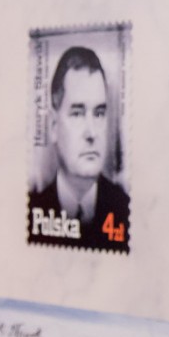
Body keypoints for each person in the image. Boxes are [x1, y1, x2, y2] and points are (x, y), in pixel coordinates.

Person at [28, 46, 130, 250]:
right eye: (77, 113)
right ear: (54, 126)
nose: (91, 133)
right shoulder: (31, 211)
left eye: (99, 113)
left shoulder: (126, 209)